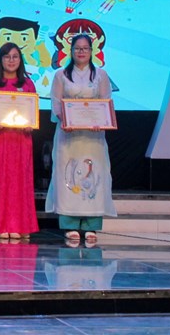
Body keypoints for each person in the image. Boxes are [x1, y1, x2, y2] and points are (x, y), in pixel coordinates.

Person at [47, 33, 116, 247]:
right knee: (69, 174)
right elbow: (56, 103)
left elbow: (106, 102)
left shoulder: (101, 75)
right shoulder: (61, 75)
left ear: (91, 51)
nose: (81, 52)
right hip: (69, 135)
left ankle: (91, 225)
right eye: (77, 48)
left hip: (93, 136)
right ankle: (69, 224)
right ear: (71, 51)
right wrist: (64, 119)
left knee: (94, 174)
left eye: (85, 48)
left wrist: (101, 121)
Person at [0, 43, 39, 240]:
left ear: (20, 60)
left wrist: (31, 123)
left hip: (21, 139)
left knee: (20, 183)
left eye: (15, 56)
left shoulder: (28, 84)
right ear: (0, 60)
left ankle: (21, 225)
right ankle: (1, 225)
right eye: (7, 57)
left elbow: (33, 109)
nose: (11, 60)